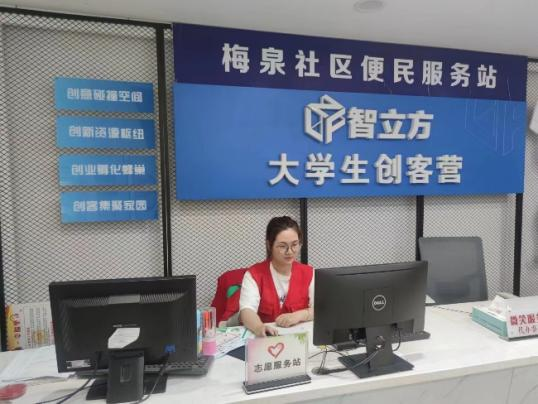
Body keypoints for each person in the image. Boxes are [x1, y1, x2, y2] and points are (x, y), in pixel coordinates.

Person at [239, 216, 314, 337]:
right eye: (282, 246)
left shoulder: (309, 273)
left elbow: (321, 309)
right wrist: (259, 327)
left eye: (295, 244)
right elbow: (247, 310)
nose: (290, 251)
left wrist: (299, 315)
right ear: (269, 245)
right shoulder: (254, 275)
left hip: (300, 338)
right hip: (266, 339)